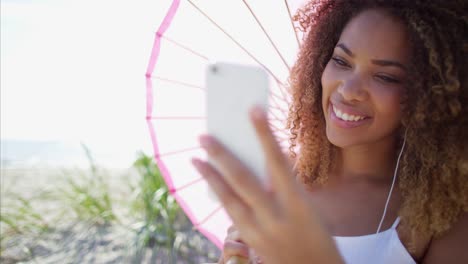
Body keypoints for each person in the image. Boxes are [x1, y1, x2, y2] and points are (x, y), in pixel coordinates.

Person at [192, 0, 468, 263]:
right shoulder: (278, 182)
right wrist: (234, 258)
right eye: (342, 61)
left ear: (431, 95)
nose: (348, 90)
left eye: (385, 76)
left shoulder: (440, 215)